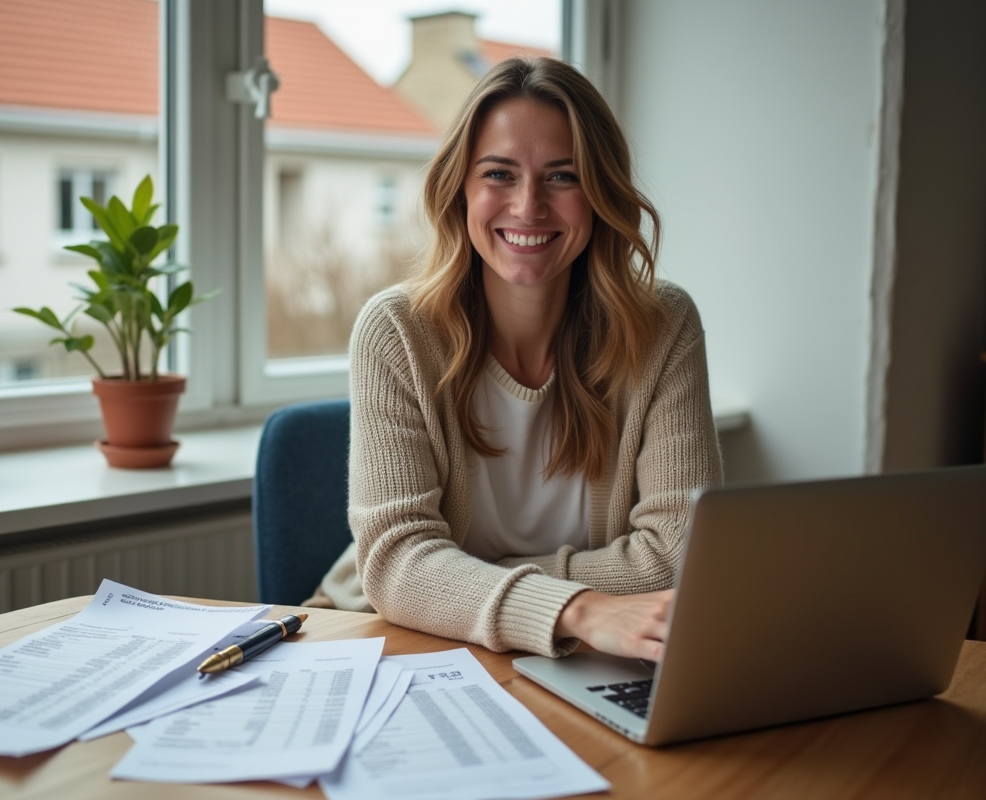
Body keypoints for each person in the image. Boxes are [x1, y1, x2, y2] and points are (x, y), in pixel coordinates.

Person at [308, 56, 722, 661]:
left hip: (581, 657)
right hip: (391, 640)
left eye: (562, 177)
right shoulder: (396, 331)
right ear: (461, 190)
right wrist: (574, 607)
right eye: (499, 174)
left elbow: (680, 553)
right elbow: (397, 563)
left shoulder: (662, 328)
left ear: (601, 192)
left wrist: (466, 575)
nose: (528, 207)